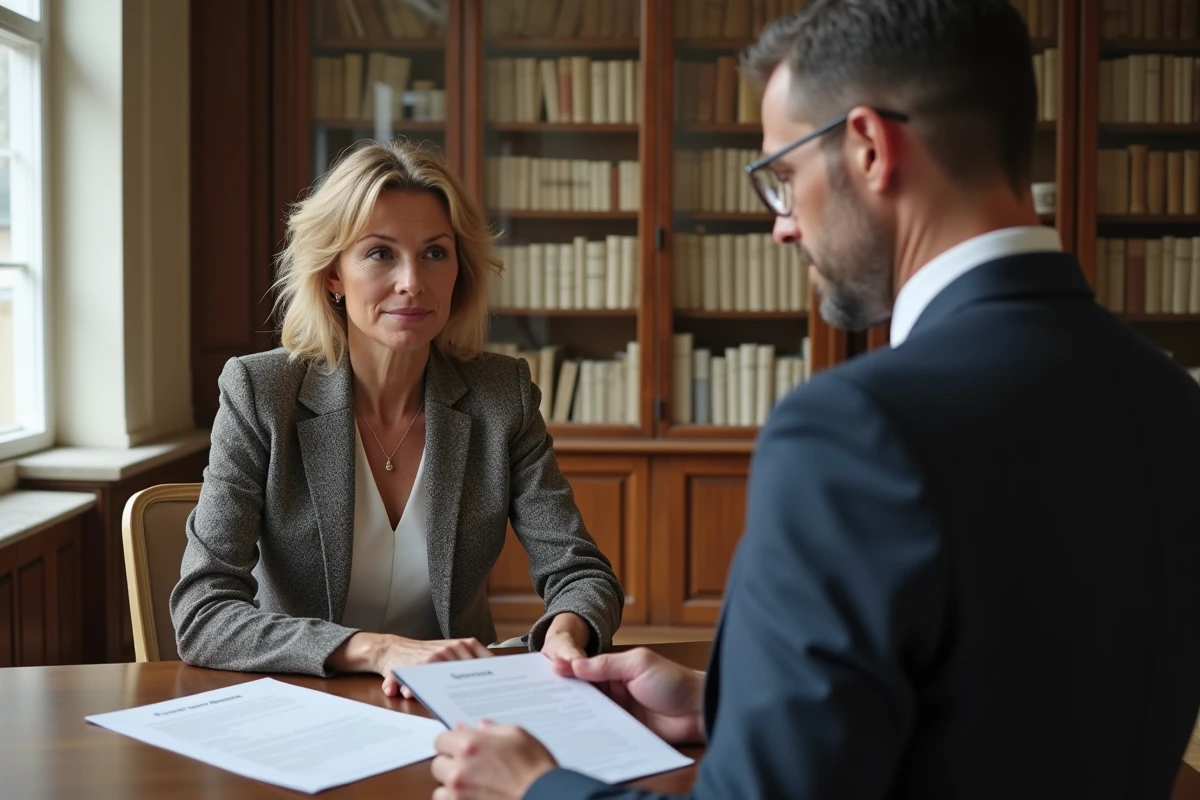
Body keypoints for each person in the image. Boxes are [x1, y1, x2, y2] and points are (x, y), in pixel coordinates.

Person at [428, 1, 1200, 798]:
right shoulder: (1171, 401)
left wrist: (536, 788)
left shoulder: (858, 428)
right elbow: (1001, 714)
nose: (782, 228)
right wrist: (730, 706)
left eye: (784, 177)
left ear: (869, 147)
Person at [170, 141, 623, 696]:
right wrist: (376, 648)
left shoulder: (501, 396)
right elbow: (203, 612)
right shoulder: (261, 392)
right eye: (380, 253)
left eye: (435, 253)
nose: (412, 281)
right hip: (303, 698)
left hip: (456, 702)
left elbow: (580, 572)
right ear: (333, 274)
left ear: (460, 270)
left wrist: (566, 631)